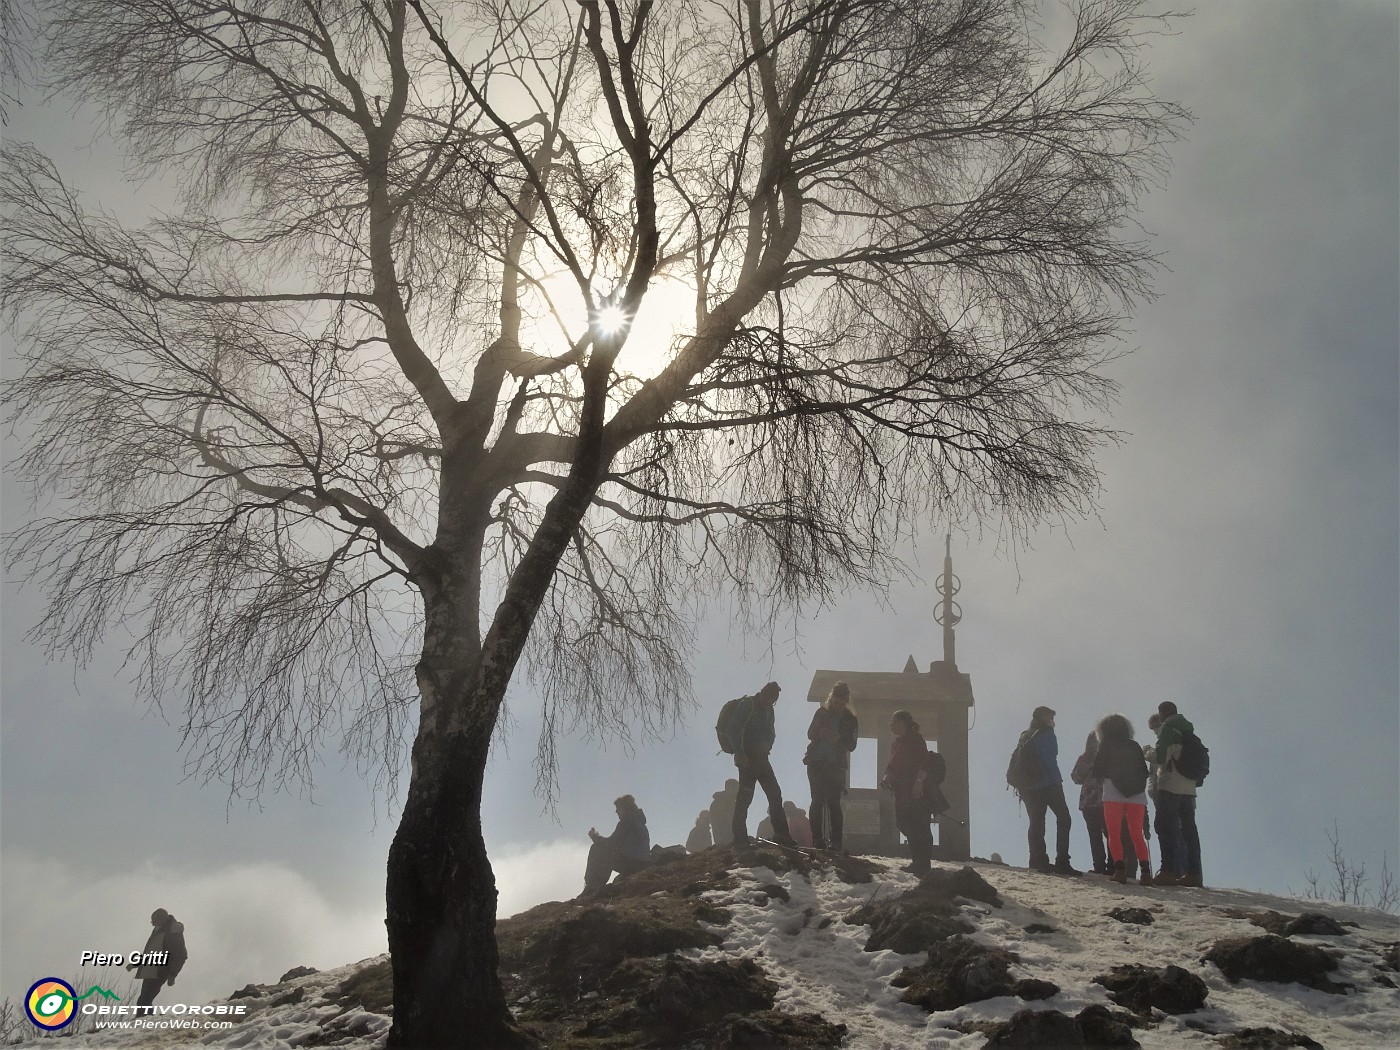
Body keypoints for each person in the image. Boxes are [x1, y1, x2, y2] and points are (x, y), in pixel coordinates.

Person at [728, 682, 796, 846]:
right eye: (768, 699)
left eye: (773, 701)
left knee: (775, 794)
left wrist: (767, 746)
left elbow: (771, 733)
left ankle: (782, 835)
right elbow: (731, 729)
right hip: (747, 758)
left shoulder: (769, 710)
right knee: (745, 797)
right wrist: (740, 753)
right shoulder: (747, 705)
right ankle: (740, 838)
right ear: (762, 693)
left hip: (762, 758)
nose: (769, 703)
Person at [1092, 713, 1154, 886]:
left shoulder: (1106, 744)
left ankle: (1119, 871)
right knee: (1137, 834)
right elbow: (1144, 770)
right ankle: (1146, 873)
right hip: (1137, 795)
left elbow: (1098, 769)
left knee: (1114, 833)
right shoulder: (1134, 745)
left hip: (1113, 792)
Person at [1017, 706, 1080, 875]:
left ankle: (1037, 860)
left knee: (1037, 822)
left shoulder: (1026, 735)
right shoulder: (1046, 734)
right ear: (1044, 718)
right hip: (1048, 784)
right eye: (1051, 717)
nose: (1053, 720)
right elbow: (1050, 760)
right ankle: (1062, 861)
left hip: (1028, 787)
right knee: (1064, 818)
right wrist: (1057, 782)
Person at [804, 681, 859, 852]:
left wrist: (837, 738)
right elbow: (809, 733)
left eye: (841, 700)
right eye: (835, 699)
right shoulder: (821, 712)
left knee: (834, 803)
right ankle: (817, 840)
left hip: (835, 765)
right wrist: (820, 733)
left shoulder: (850, 719)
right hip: (816, 762)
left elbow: (852, 744)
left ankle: (836, 842)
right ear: (831, 697)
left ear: (846, 700)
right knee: (817, 801)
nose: (837, 703)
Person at [1153, 700, 1203, 887]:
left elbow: (1160, 757)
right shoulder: (1188, 731)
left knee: (1163, 825)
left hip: (1171, 784)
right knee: (1189, 830)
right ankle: (1194, 874)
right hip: (1189, 787)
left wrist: (1147, 752)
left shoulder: (1168, 729)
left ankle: (1168, 871)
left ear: (1162, 713)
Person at [881, 710, 935, 875]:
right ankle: (918, 861)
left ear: (903, 723)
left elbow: (923, 763)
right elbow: (891, 766)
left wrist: (919, 783)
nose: (891, 725)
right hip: (901, 792)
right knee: (904, 823)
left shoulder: (915, 739)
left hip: (916, 791)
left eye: (894, 721)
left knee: (920, 825)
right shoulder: (896, 743)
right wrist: (886, 779)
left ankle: (922, 863)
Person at [582, 795, 651, 896]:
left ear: (625, 808)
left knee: (597, 849)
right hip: (641, 861)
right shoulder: (638, 822)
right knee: (603, 850)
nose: (616, 812)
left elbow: (612, 843)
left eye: (618, 809)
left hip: (633, 863)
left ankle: (592, 886)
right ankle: (594, 886)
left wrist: (595, 838)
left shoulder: (627, 822)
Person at [127, 909, 187, 1013]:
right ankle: (143, 1022)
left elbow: (180, 955)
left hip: (160, 970)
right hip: (150, 970)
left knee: (144, 1001)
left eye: (154, 922)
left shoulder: (172, 931)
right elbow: (151, 953)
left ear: (162, 919)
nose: (153, 924)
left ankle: (143, 1023)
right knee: (143, 1001)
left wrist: (173, 974)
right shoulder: (158, 931)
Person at [1070, 731, 1110, 875]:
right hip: (1096, 801)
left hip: (1096, 800)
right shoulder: (1086, 758)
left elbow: (1075, 777)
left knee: (1106, 834)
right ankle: (1101, 866)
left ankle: (1109, 866)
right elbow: (1075, 777)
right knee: (1098, 834)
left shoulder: (1103, 756)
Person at [709, 779, 739, 847]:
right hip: (729, 839)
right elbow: (732, 821)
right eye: (737, 788)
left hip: (719, 840)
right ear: (731, 788)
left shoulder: (715, 802)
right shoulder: (728, 802)